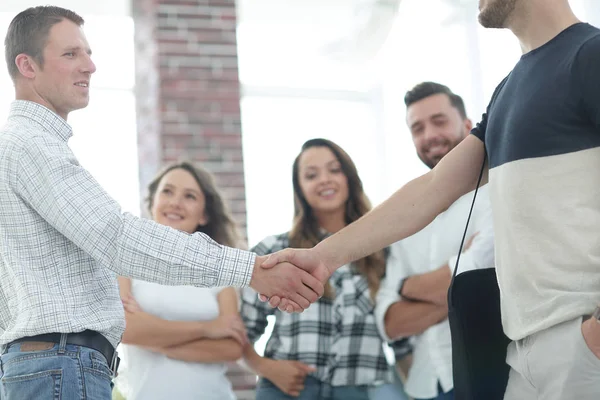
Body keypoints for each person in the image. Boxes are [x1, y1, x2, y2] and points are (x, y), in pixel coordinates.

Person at [263, 1, 600, 399]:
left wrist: (591, 338)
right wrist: (322, 257)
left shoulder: (590, 55)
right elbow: (433, 189)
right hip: (524, 351)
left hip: (580, 344)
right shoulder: (508, 90)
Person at [0, 6, 322, 400]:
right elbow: (116, 237)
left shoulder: (24, 146)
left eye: (88, 52)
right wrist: (251, 269)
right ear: (27, 66)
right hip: (60, 366)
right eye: (71, 54)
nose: (91, 66)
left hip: (54, 366)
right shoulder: (31, 145)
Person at [241, 138, 406, 400]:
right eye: (311, 175)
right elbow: (241, 329)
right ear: (300, 189)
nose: (325, 180)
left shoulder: (384, 250)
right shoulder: (275, 249)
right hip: (289, 390)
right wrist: (266, 368)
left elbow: (400, 337)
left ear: (350, 177)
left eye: (334, 170)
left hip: (361, 390)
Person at [374, 82, 494, 400]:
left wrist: (408, 287)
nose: (429, 135)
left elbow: (474, 278)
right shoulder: (406, 219)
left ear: (468, 126)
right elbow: (389, 323)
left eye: (439, 121)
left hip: (495, 376)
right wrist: (455, 291)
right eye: (417, 128)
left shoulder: (496, 192)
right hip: (428, 385)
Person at [117, 161, 247, 400]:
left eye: (189, 196)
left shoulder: (218, 273)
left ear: (204, 214)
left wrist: (155, 339)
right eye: (167, 191)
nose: (175, 202)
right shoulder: (127, 264)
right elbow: (127, 329)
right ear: (153, 202)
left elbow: (232, 347)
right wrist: (207, 328)